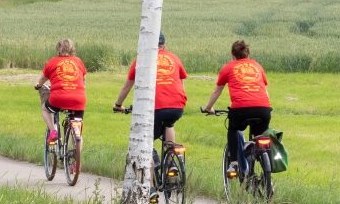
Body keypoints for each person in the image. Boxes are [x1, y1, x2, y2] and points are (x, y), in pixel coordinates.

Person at [203, 40, 272, 176]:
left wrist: (208, 108)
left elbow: (217, 91)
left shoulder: (228, 67)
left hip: (240, 110)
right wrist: (266, 107)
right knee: (260, 136)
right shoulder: (257, 66)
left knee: (233, 129)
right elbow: (265, 90)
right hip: (264, 109)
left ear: (232, 54)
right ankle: (267, 170)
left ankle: (234, 163)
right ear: (247, 53)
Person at [113, 33, 187, 144]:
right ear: (164, 45)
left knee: (145, 138)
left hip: (156, 106)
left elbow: (127, 85)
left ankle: (150, 159)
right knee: (169, 124)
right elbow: (181, 83)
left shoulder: (143, 58)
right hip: (177, 106)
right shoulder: (174, 58)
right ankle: (171, 156)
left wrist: (118, 105)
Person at [35, 38, 87, 143]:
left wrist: (39, 85)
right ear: (72, 49)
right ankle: (76, 158)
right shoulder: (78, 61)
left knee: (45, 109)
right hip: (79, 99)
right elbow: (83, 80)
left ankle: (53, 131)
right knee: (78, 133)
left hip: (58, 99)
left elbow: (42, 79)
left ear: (58, 49)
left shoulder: (52, 62)